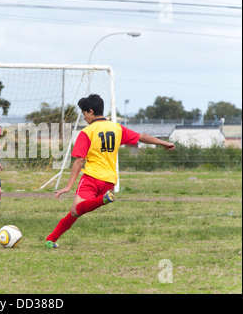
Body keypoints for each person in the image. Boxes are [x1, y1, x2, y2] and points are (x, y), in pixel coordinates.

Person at [45, 94, 176, 248]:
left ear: (91, 111)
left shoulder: (87, 132)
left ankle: (102, 200)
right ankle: (51, 239)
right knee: (77, 211)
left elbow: (79, 161)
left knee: (75, 210)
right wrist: (163, 143)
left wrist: (68, 186)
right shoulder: (116, 128)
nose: (84, 117)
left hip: (92, 178)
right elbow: (143, 137)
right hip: (109, 181)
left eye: (84, 113)